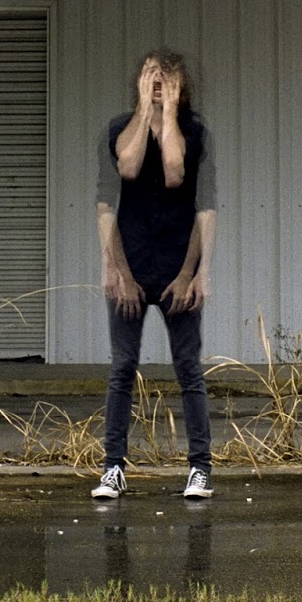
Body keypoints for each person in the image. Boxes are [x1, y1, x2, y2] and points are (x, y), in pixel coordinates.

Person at [92, 48, 217, 500]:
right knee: (122, 367)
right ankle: (113, 468)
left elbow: (181, 180)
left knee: (188, 368)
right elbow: (119, 181)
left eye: (167, 75)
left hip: (177, 266)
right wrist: (115, 270)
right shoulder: (117, 130)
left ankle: (200, 468)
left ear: (182, 85)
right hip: (131, 263)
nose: (158, 79)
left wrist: (196, 274)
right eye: (150, 74)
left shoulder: (195, 133)